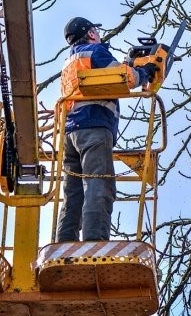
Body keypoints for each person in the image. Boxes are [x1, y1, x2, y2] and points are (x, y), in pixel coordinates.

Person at [56, 16, 158, 242]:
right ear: (91, 33)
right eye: (96, 31)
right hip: (93, 127)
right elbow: (125, 78)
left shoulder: (69, 62)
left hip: (71, 132)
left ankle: (64, 244)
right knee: (98, 183)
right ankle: (95, 242)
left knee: (73, 194)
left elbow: (107, 78)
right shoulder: (95, 53)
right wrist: (145, 71)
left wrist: (127, 65)